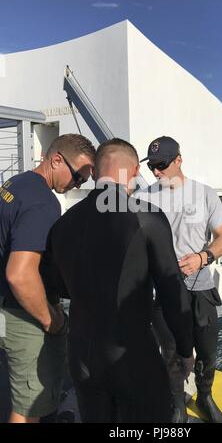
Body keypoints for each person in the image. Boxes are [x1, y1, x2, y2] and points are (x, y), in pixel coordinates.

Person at [45, 138, 194, 423]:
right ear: (134, 170)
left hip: (81, 358)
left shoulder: (63, 224)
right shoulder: (145, 216)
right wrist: (185, 350)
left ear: (97, 172)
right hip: (131, 358)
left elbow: (56, 285)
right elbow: (172, 290)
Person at [0, 133, 96, 423]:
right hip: (23, 314)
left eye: (84, 181)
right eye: (78, 176)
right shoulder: (44, 203)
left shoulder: (15, 184)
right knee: (30, 406)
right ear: (55, 160)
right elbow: (19, 274)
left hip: (6, 306)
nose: (78, 184)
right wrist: (50, 320)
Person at [135, 136, 222, 423]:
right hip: (162, 289)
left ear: (179, 159)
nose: (156, 172)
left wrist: (203, 258)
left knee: (207, 350)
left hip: (200, 286)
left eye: (161, 164)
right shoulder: (144, 198)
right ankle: (176, 402)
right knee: (172, 351)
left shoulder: (205, 194)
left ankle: (205, 396)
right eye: (152, 166)